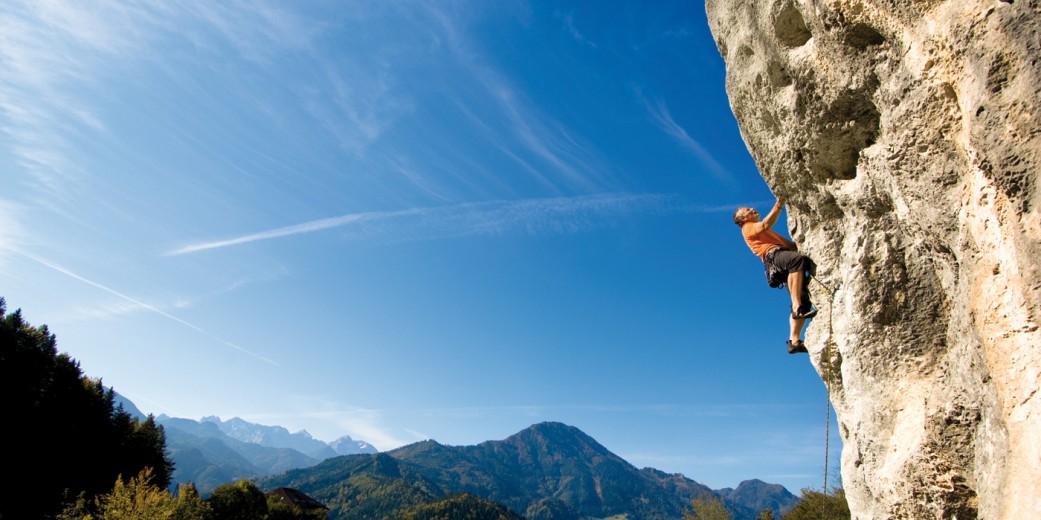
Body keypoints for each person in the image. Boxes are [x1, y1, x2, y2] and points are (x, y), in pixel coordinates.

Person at [734, 197, 817, 354]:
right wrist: (778, 205)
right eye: (747, 210)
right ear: (743, 219)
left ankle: (794, 341)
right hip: (774, 258)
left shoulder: (767, 233)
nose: (752, 209)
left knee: (804, 299)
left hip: (779, 261)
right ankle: (796, 306)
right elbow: (766, 223)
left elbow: (791, 245)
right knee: (796, 260)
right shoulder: (748, 227)